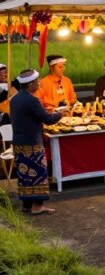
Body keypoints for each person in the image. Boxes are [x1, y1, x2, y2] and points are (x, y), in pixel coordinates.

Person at [10, 69, 65, 215]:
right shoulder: (32, 100)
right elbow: (48, 119)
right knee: (38, 174)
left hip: (19, 142)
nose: (39, 83)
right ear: (29, 85)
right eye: (37, 81)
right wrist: (61, 114)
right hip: (32, 142)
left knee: (25, 175)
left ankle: (27, 205)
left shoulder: (15, 99)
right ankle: (38, 206)